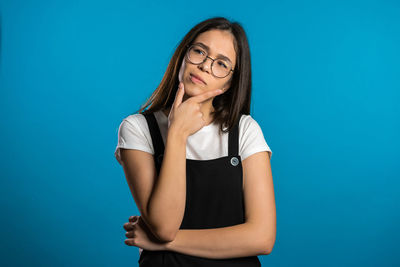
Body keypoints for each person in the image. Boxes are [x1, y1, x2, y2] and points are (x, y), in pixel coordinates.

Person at [115, 16, 276, 266]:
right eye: (199, 52)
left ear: (231, 81)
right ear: (183, 55)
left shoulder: (245, 131)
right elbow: (165, 226)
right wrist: (177, 132)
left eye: (222, 64)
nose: (204, 66)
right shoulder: (137, 128)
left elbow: (262, 238)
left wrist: (160, 242)